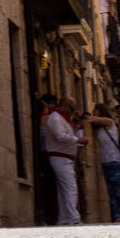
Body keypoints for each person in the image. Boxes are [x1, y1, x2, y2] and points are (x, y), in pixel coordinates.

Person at [41, 97, 85, 226]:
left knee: (63, 190)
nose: (72, 112)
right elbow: (60, 136)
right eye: (72, 109)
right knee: (71, 187)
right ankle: (73, 217)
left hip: (64, 157)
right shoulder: (55, 118)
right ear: (65, 106)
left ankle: (64, 218)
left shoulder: (60, 118)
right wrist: (77, 140)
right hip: (60, 157)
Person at [88, 104, 120, 222]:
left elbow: (91, 119)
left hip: (115, 160)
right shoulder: (99, 128)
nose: (93, 112)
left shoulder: (109, 122)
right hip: (106, 161)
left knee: (119, 189)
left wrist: (85, 116)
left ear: (100, 111)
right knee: (111, 191)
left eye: (95, 110)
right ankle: (118, 216)